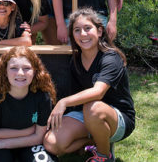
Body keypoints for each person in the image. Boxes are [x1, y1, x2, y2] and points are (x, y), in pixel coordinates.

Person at [43, 8, 135, 162]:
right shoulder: (76, 61)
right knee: (51, 144)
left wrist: (63, 102)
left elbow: (98, 92)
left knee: (92, 107)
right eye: (77, 30)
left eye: (87, 28)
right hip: (86, 114)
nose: (83, 34)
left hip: (118, 118)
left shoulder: (111, 58)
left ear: (99, 31)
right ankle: (95, 142)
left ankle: (104, 155)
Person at [0, 46, 59, 162]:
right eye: (14, 68)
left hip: (24, 143)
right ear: (5, 72)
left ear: (35, 71)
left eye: (26, 68)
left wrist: (4, 143)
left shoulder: (42, 96)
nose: (20, 73)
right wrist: (30, 131)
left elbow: (39, 137)